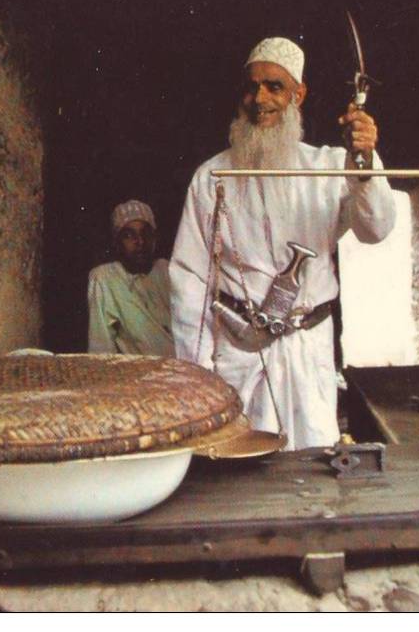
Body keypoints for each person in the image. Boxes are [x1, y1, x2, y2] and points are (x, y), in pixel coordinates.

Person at [170, 37, 396, 450]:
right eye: (251, 87)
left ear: (299, 94)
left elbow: (376, 228)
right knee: (240, 468)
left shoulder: (328, 167)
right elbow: (189, 282)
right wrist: (197, 377)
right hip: (238, 356)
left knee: (313, 467)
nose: (259, 98)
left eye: (274, 86)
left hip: (306, 351)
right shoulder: (211, 177)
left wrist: (364, 164)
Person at [87, 199, 175, 356]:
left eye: (145, 233)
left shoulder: (167, 271)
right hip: (140, 374)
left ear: (154, 240)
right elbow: (100, 347)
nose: (139, 241)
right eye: (129, 235)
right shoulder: (106, 278)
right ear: (117, 243)